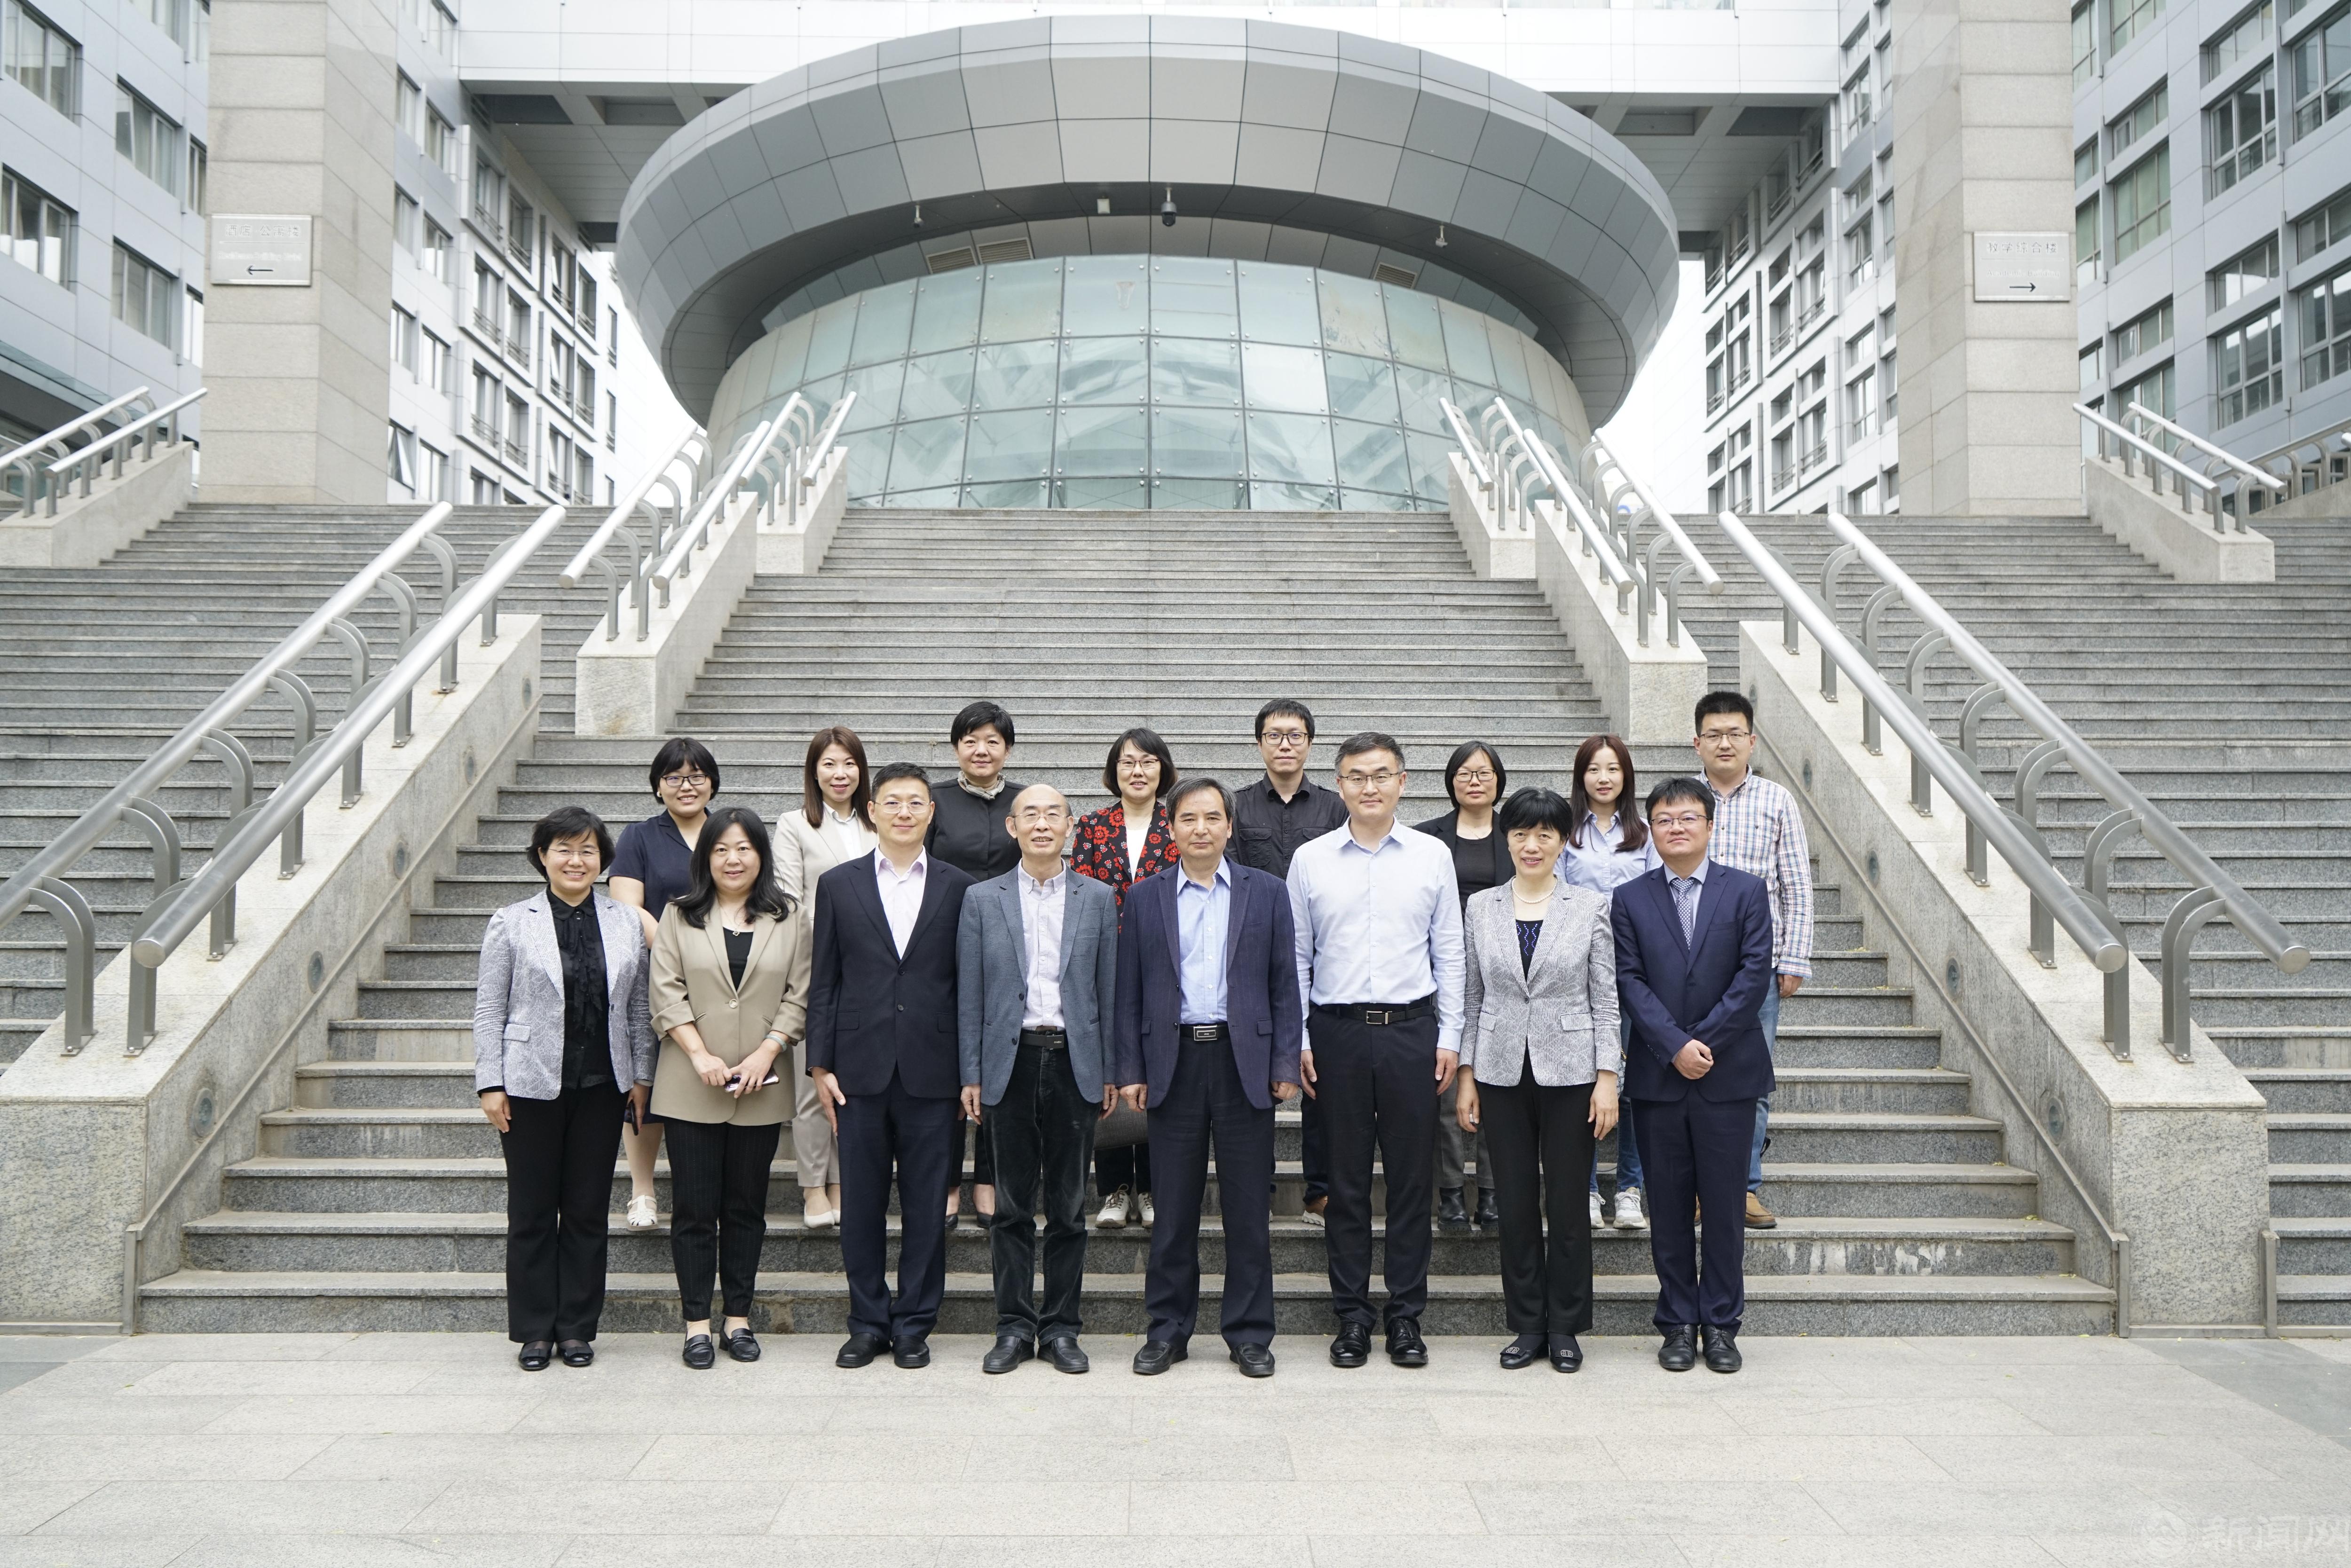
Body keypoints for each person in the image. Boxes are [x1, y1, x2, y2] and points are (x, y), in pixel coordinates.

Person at [1115, 778, 1303, 1379]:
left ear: (1229, 825)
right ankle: (1167, 1329)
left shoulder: (1266, 891)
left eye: (1212, 817)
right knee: (1173, 1209)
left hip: (1243, 1062)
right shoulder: (1143, 896)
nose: (1201, 828)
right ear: (1170, 827)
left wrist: (1284, 1062)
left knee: (1248, 1210)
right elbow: (1128, 990)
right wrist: (1130, 1069)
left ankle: (1249, 1333)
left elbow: (1284, 982)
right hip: (1171, 1063)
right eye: (1188, 818)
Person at [1288, 733, 1464, 1370]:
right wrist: (1300, 1038)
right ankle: (1353, 1316)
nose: (1370, 786)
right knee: (1345, 1180)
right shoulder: (1310, 859)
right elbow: (1296, 955)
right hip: (1334, 1033)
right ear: (1339, 784)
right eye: (1357, 776)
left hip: (1411, 1031)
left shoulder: (1431, 855)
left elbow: (1450, 950)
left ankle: (1406, 1314)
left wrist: (1450, 1035)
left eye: (1381, 775)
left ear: (1402, 781)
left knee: (1412, 1179)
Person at [472, 806, 655, 1371]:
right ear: (542, 856)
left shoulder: (625, 921)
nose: (576, 860)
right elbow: (489, 1007)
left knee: (586, 1210)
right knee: (531, 1210)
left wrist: (642, 1076)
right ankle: (533, 1330)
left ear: (602, 860)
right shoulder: (511, 921)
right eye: (564, 849)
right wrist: (490, 1081)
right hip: (528, 1085)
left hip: (603, 1084)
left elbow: (639, 1007)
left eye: (588, 851)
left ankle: (576, 1328)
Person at [807, 764, 974, 1370]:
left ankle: (914, 1324)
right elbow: (824, 979)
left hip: (935, 1069)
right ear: (872, 810)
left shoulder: (960, 886)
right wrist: (819, 1064)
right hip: (858, 1069)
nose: (904, 812)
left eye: (916, 802)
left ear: (932, 812)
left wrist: (970, 1068)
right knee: (862, 1204)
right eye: (893, 802)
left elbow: (969, 983)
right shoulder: (838, 883)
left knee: (928, 1205)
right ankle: (868, 1322)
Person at [1613, 776, 1775, 1375]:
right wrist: (1673, 1045)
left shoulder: (1746, 891)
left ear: (1709, 825)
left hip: (1728, 1075)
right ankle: (1678, 1321)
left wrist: (1702, 1041)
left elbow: (1753, 973)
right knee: (1668, 1205)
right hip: (1659, 1077)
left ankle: (1722, 1324)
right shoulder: (1629, 899)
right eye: (1663, 819)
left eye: (1686, 817)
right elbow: (1629, 979)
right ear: (1650, 830)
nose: (1675, 827)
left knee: (1725, 1208)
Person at [1454, 787, 1619, 1374]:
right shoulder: (1481, 907)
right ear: (1507, 839)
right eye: (1521, 832)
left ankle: (1565, 1325)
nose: (1532, 844)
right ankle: (1527, 1323)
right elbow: (1472, 996)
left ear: (1561, 841)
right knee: (1514, 1199)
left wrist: (1607, 1077)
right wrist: (1467, 1074)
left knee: (1569, 1200)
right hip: (1499, 1070)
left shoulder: (1589, 906)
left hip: (1571, 1070)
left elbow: (1605, 998)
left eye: (1545, 833)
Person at [957, 784, 1120, 1375]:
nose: (1042, 823)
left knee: (1070, 1208)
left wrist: (1109, 1068)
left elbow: (1108, 988)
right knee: (1011, 1207)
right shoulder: (982, 898)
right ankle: (1013, 1325)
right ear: (1012, 826)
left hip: (1074, 1060)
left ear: (1070, 825)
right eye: (1031, 814)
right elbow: (970, 993)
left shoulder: (1096, 897)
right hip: (1011, 1061)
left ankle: (1061, 1328)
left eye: (1054, 813)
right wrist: (971, 1072)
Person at [649, 806, 811, 1369]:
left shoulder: (789, 916)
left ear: (761, 855)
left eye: (744, 848)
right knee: (694, 1209)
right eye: (721, 849)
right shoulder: (679, 913)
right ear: (706, 857)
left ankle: (737, 1319)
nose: (732, 859)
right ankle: (696, 1324)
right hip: (689, 1082)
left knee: (746, 1208)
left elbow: (800, 992)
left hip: (761, 1084)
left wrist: (768, 1049)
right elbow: (664, 989)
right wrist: (699, 1054)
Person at [1691, 692, 1814, 1230]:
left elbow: (1796, 885)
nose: (1724, 742)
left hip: (1754, 967)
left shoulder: (1776, 800)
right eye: (1713, 734)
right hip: (1686, 965)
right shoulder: (1680, 798)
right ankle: (1697, 1189)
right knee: (1689, 1077)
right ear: (1696, 742)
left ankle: (1742, 1186)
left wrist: (1793, 958)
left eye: (1734, 733)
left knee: (1749, 1078)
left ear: (1751, 740)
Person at [1231, 698, 1346, 1227]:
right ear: (1259, 743)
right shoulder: (1235, 807)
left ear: (1309, 743)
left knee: (1321, 1080)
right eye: (1274, 735)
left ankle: (1320, 1191)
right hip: (1252, 958)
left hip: (1320, 960)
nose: (1284, 744)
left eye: (1295, 735)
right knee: (1253, 1077)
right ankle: (1257, 1185)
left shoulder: (1334, 808)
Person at [607, 738, 719, 1232]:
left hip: (726, 977)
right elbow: (626, 905)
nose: (685, 785)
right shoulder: (639, 837)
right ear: (658, 786)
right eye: (674, 777)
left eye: (696, 776)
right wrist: (678, 952)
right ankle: (643, 1190)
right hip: (656, 974)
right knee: (647, 1077)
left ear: (712, 782)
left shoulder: (728, 831)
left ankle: (709, 1187)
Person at [1069, 725, 1179, 1232]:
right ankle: (1114, 1187)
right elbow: (1080, 895)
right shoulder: (1093, 826)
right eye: (1128, 762)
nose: (1138, 771)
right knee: (1110, 1068)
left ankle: (1152, 1186)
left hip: (1164, 962)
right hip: (1105, 963)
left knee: (1158, 1068)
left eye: (1148, 762)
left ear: (1163, 770)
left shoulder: (1178, 822)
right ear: (1114, 771)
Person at [775, 726, 877, 1233]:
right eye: (830, 764)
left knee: (852, 1080)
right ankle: (814, 1185)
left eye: (849, 763)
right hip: (815, 967)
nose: (840, 774)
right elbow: (788, 901)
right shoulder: (794, 824)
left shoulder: (877, 821)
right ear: (813, 772)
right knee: (811, 1078)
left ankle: (840, 1181)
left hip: (872, 972)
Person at [927, 701, 1022, 1233]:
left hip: (1010, 949)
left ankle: (988, 1177)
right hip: (942, 945)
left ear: (1007, 747)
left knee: (1000, 1062)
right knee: (948, 1066)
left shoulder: (1024, 802)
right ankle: (947, 1183)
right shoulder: (933, 800)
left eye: (992, 740)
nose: (981, 750)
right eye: (970, 740)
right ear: (956, 747)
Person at [1558, 733, 1658, 1235]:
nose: (1603, 778)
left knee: (1633, 1082)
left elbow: (1660, 899)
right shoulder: (1566, 833)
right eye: (1594, 769)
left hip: (1636, 969)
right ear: (1581, 776)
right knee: (1584, 1080)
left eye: (1613, 768)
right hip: (1577, 970)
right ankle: (1587, 1190)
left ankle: (1629, 1188)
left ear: (1626, 776)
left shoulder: (1645, 833)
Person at [1413, 741, 1507, 1236]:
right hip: (1441, 973)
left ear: (1498, 780)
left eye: (1484, 772)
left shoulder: (1517, 834)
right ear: (1450, 781)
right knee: (1446, 1085)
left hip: (1504, 975)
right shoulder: (1425, 838)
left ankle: (1490, 1191)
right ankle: (1450, 1192)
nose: (1475, 781)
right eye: (1465, 773)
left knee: (1497, 1084)